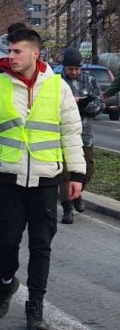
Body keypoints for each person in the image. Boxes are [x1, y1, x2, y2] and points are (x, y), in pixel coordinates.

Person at [0, 28, 85, 330]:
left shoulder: (58, 87)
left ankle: (35, 306)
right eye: (9, 51)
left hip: (47, 179)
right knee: (7, 240)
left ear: (35, 53)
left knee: (41, 245)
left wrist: (76, 175)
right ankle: (7, 281)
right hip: (9, 179)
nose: (10, 56)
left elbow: (70, 133)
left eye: (16, 51)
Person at [58, 48, 102, 224]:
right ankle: (67, 208)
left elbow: (99, 101)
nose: (74, 72)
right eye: (70, 69)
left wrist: (87, 106)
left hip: (84, 132)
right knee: (65, 173)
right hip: (63, 133)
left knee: (88, 169)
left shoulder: (89, 80)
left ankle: (77, 193)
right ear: (64, 68)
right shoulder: (57, 82)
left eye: (77, 69)